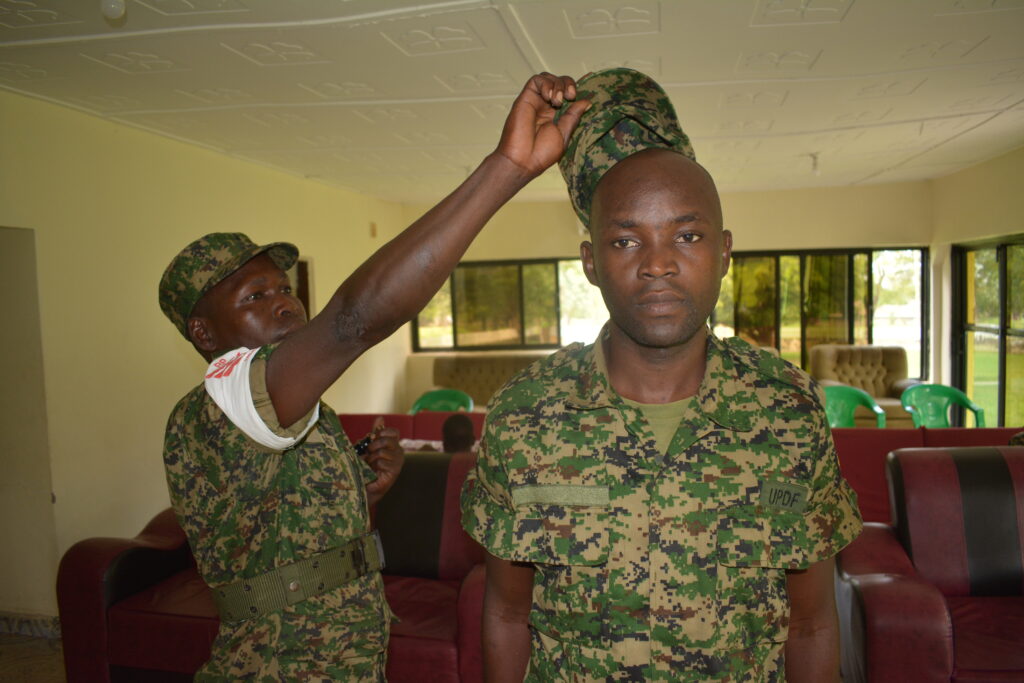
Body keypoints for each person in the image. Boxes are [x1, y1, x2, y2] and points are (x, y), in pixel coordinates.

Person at [158, 73, 590, 681]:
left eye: (285, 288)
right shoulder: (218, 404)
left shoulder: (294, 410)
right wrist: (506, 169)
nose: (285, 303)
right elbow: (354, 320)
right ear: (204, 334)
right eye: (255, 296)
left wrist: (365, 496)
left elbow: (277, 546)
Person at [461, 68, 863, 682]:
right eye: (626, 242)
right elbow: (509, 614)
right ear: (590, 261)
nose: (658, 265)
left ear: (724, 252)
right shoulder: (525, 417)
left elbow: (809, 623)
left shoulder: (787, 412)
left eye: (687, 235)